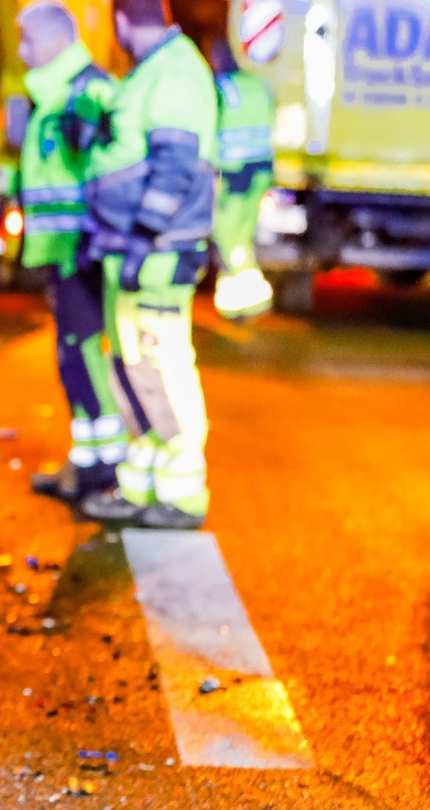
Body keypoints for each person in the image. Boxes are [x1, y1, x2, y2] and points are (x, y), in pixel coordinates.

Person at [76, 0, 219, 530]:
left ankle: (183, 495)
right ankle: (142, 486)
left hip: (157, 249)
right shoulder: (158, 70)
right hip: (136, 249)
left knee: (162, 367)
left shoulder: (174, 72)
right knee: (135, 369)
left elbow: (176, 165)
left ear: (119, 22)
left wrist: (142, 233)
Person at [9, 1, 129, 503]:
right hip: (66, 249)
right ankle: (86, 465)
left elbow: (114, 166)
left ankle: (105, 470)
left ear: (56, 42)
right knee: (72, 359)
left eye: (29, 41)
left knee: (83, 356)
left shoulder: (90, 91)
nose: (21, 52)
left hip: (86, 249)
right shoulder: (58, 95)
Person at [208, 37, 275, 320]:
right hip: (261, 170)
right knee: (243, 233)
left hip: (234, 173)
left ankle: (245, 305)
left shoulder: (221, 90)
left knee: (229, 237)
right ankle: (244, 301)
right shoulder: (257, 85)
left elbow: (211, 131)